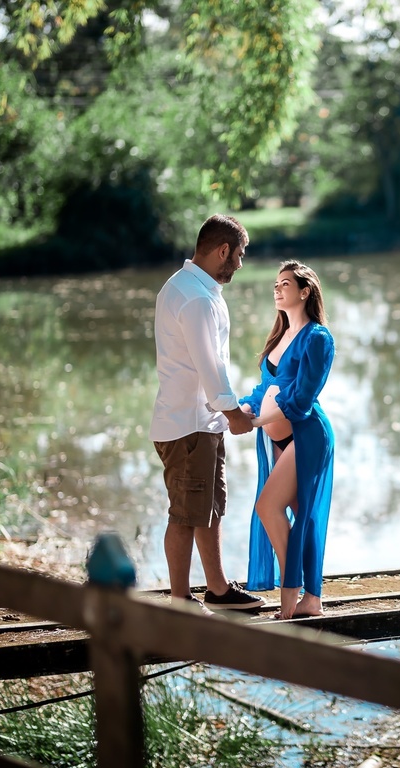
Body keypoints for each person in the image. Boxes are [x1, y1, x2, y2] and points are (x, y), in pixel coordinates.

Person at [150, 214, 266, 613]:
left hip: (199, 422)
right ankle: (181, 602)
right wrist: (232, 411)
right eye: (239, 254)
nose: (240, 263)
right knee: (184, 514)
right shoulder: (196, 298)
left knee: (207, 509)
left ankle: (217, 589)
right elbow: (208, 363)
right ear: (222, 251)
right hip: (189, 426)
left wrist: (226, 411)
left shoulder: (188, 286)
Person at [240, 260, 335, 619]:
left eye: (284, 284)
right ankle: (312, 599)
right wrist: (237, 409)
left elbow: (301, 400)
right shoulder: (279, 335)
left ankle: (290, 595)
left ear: (304, 291)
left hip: (307, 435)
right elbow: (264, 388)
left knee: (268, 507)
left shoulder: (318, 338)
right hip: (278, 440)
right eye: (275, 285)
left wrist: (257, 420)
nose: (277, 290)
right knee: (300, 516)